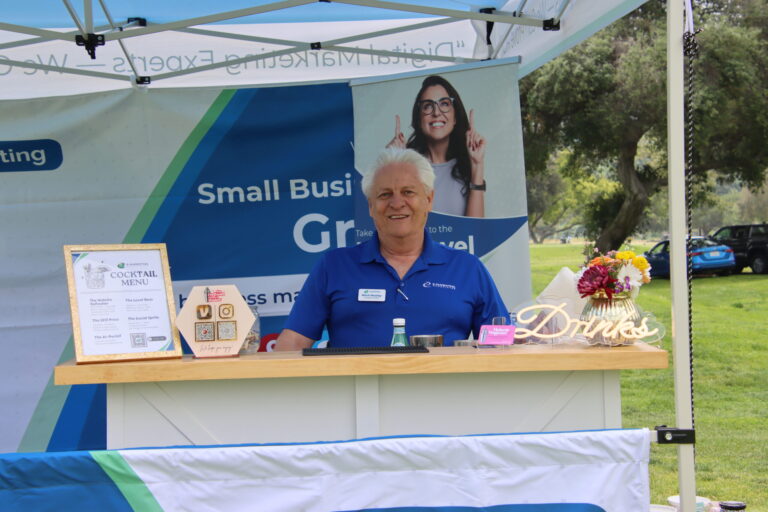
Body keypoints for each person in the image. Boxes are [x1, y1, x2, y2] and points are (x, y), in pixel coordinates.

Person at [275, 148, 508, 350]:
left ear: (429, 199)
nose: (397, 203)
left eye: (408, 192)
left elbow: (502, 342)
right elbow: (293, 343)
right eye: (385, 194)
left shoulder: (467, 268)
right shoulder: (334, 266)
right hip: (357, 398)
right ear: (370, 206)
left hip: (445, 396)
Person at [387, 75, 486, 218]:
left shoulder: (467, 166)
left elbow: (476, 231)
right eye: (428, 106)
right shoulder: (407, 165)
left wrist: (477, 165)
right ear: (419, 118)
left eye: (444, 104)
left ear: (455, 116)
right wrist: (392, 165)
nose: (436, 112)